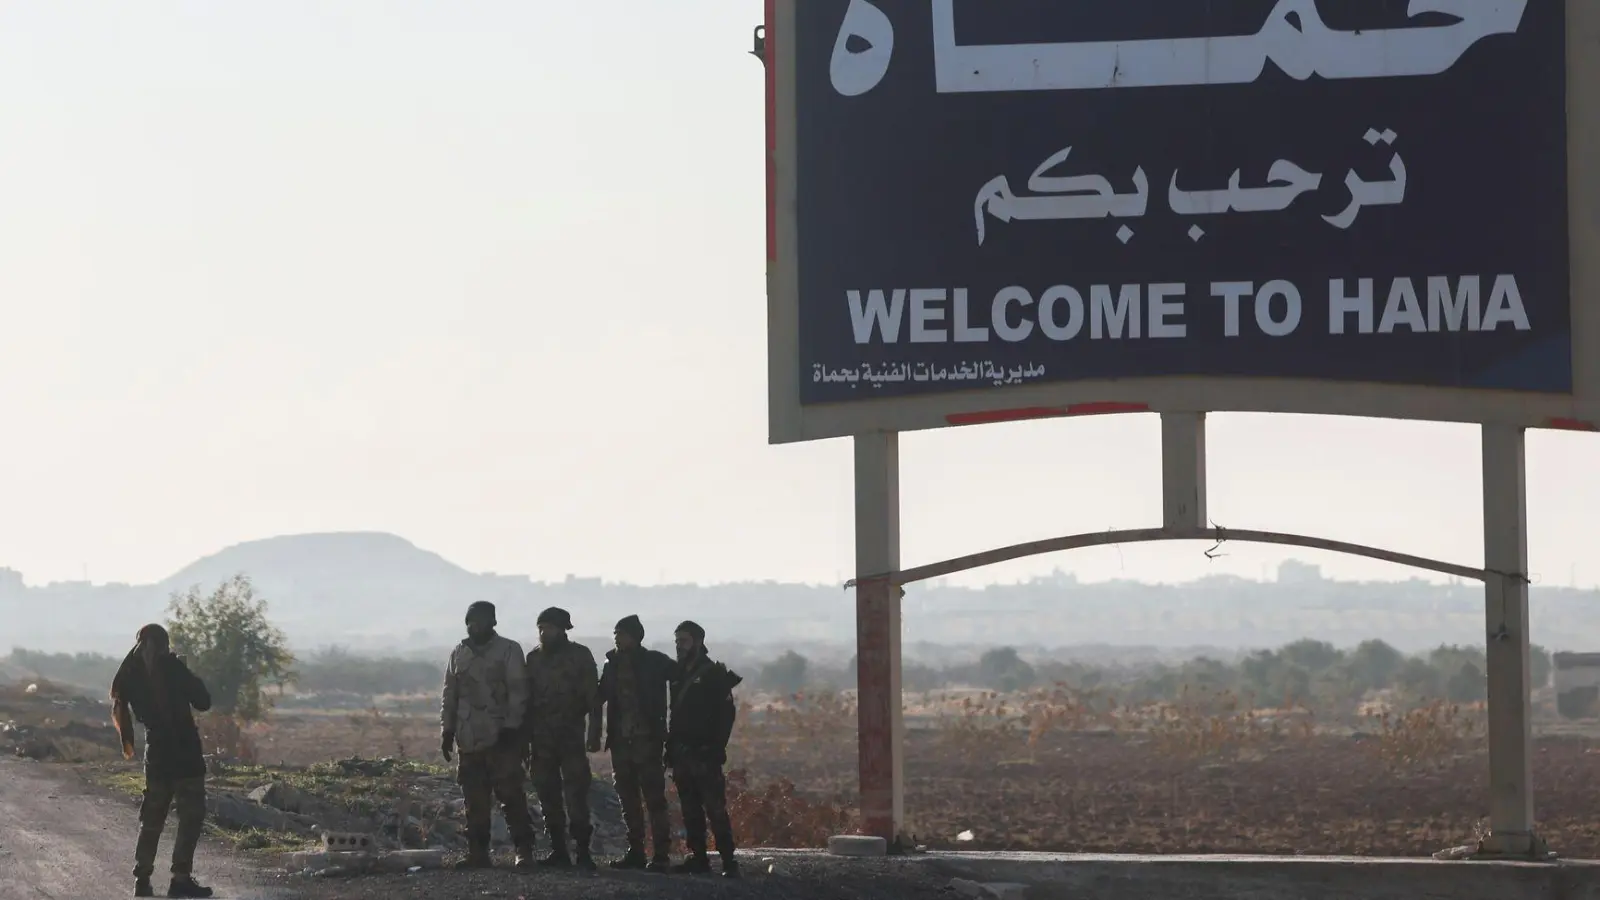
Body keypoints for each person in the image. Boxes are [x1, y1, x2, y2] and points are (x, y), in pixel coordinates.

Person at [109, 623, 216, 899]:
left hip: (157, 755)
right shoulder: (172, 666)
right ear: (165, 644)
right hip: (185, 753)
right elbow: (203, 701)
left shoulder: (129, 673)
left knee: (152, 818)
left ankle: (142, 880)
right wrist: (186, 670)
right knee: (190, 815)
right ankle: (180, 878)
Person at [440, 601, 538, 869]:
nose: (475, 626)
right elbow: (450, 694)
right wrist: (447, 730)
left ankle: (524, 851)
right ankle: (478, 853)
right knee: (474, 800)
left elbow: (519, 692)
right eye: (471, 621)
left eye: (480, 621)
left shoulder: (508, 650)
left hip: (501, 737)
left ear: (492, 622)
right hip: (468, 738)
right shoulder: (459, 653)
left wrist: (511, 728)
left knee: (511, 797)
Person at [589, 614, 677, 872]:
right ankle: (636, 851)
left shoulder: (655, 662)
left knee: (654, 799)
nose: (617, 637)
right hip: (621, 742)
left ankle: (661, 854)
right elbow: (599, 695)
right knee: (628, 799)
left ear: (636, 636)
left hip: (647, 741)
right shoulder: (612, 664)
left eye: (622, 633)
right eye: (616, 633)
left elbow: (683, 676)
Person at [666, 620, 743, 878]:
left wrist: (716, 747)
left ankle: (729, 860)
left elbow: (726, 715)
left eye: (684, 641)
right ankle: (698, 857)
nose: (679, 646)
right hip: (682, 752)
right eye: (677, 641)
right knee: (689, 808)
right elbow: (674, 716)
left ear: (698, 642)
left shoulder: (713, 674)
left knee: (715, 808)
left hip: (705, 753)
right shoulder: (678, 674)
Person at [524, 606, 600, 870]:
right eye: (541, 628)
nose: (544, 633)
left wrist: (595, 735)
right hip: (541, 740)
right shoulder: (533, 659)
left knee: (577, 795)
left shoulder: (580, 656)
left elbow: (593, 700)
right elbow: (526, 701)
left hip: (571, 738)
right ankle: (559, 850)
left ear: (563, 630)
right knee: (547, 796)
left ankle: (583, 852)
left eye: (549, 628)